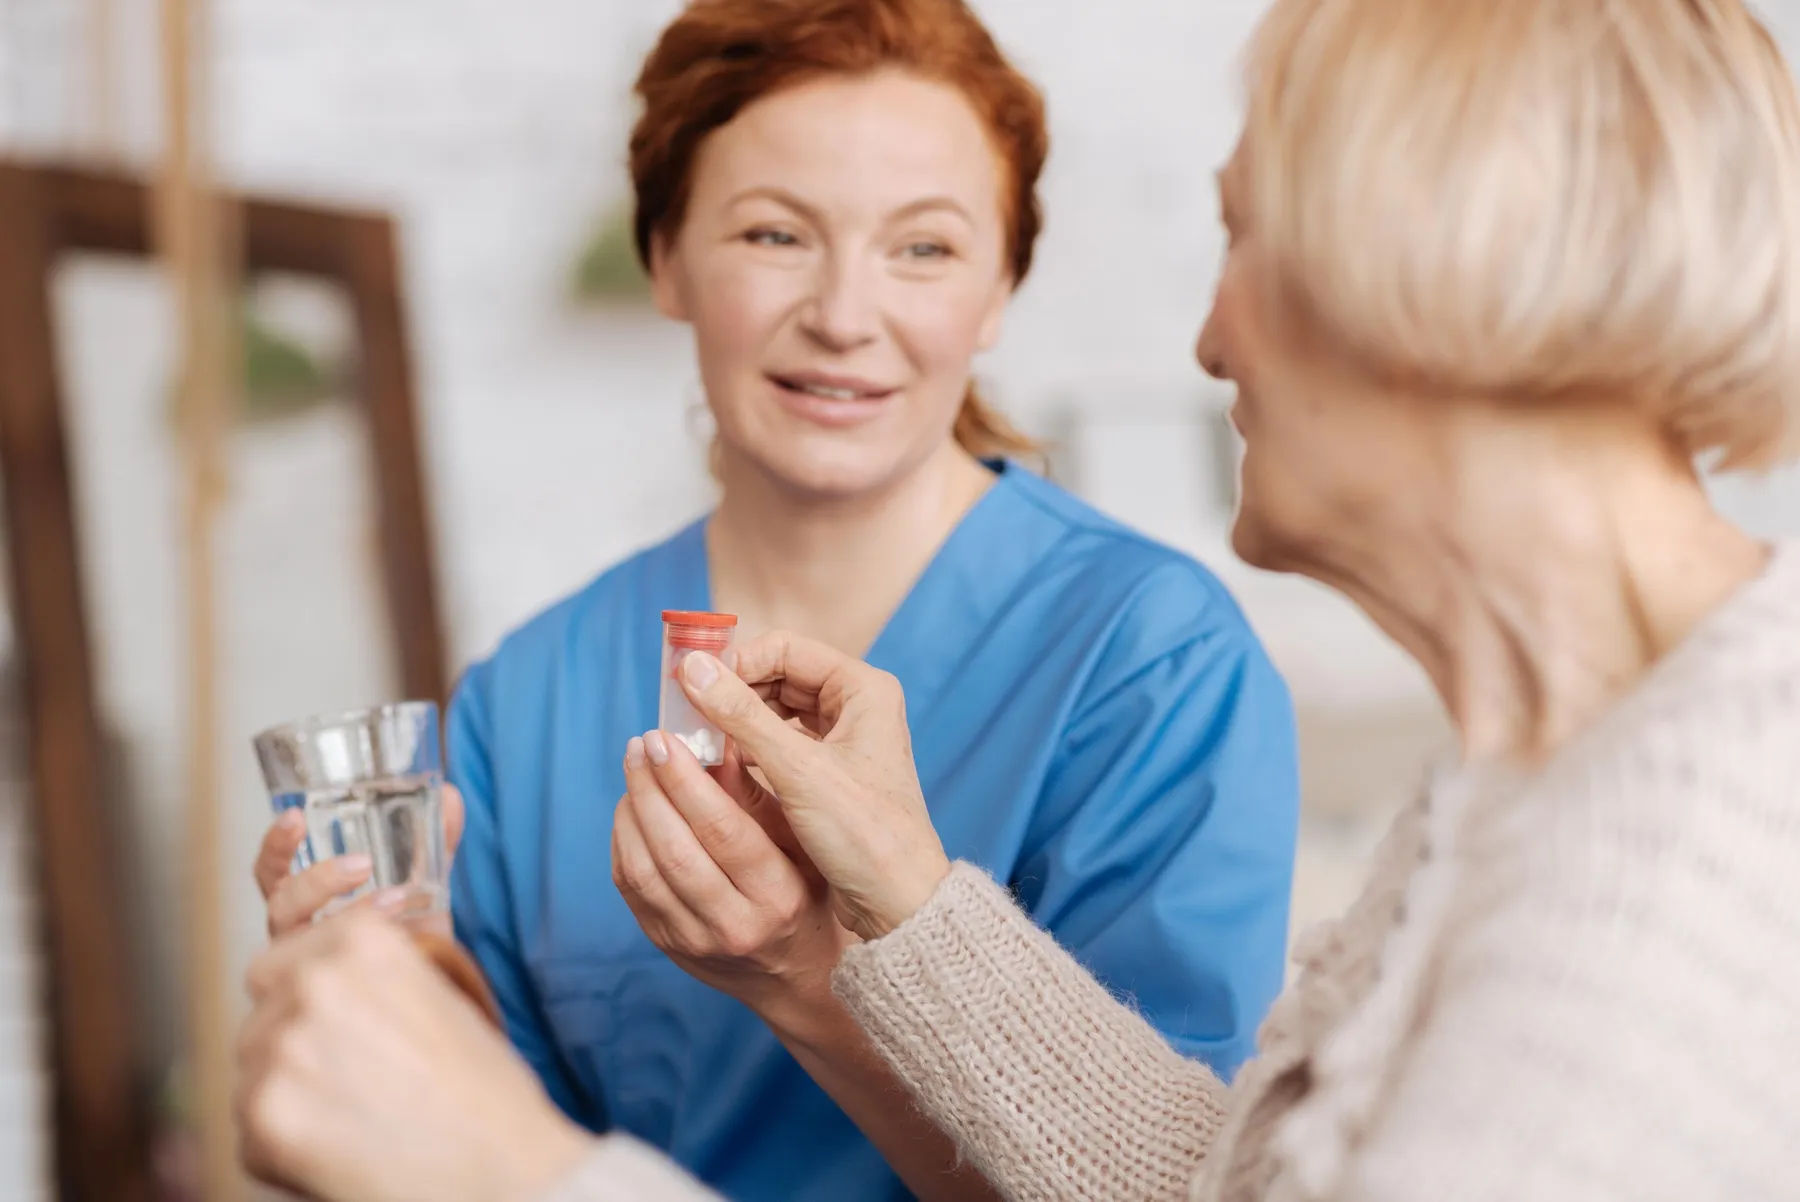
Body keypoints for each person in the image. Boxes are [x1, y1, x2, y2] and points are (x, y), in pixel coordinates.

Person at [237, 0, 1800, 1197]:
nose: (1203, 338)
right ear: (669, 255)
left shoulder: (1689, 873)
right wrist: (858, 931)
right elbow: (1213, 1180)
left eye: (1245, 238)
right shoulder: (1520, 780)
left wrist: (531, 1176)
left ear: (1440, 274)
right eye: (775, 234)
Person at [248, 1, 1300, 1199]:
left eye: (925, 248)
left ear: (1001, 287)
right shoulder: (524, 700)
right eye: (773, 235)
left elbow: (1170, 1183)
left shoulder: (1151, 661)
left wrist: (810, 976)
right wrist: (400, 1020)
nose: (846, 316)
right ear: (667, 259)